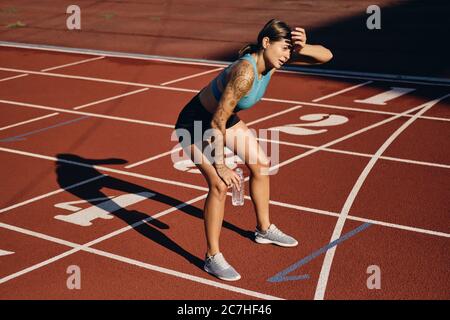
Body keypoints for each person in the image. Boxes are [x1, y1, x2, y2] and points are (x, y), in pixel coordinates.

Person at [174, 19, 333, 281]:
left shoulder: (272, 62)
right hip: (196, 123)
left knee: (261, 164)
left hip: (224, 117)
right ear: (266, 42)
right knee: (218, 185)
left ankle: (264, 229)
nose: (286, 56)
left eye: (289, 51)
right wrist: (221, 164)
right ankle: (212, 257)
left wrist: (303, 48)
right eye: (284, 49)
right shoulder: (245, 72)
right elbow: (216, 122)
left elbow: (327, 56)